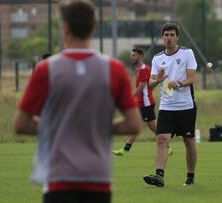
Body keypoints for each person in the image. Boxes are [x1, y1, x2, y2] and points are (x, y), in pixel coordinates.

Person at [13, 1, 142, 203]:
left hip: (59, 177)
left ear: (64, 27)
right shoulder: (114, 69)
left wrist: (59, 127)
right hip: (98, 176)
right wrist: (97, 127)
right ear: (94, 28)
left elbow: (21, 124)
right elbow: (133, 124)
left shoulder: (46, 69)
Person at [143, 23, 198, 187]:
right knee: (162, 139)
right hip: (167, 107)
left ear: (177, 37)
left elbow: (192, 78)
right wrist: (157, 81)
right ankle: (159, 176)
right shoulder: (157, 58)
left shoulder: (187, 53)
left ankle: (190, 176)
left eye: (172, 35)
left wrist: (179, 84)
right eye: (166, 35)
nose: (169, 38)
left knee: (189, 141)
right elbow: (151, 83)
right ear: (162, 37)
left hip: (186, 106)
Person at [113, 48, 173, 156]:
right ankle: (125, 149)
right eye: (131, 55)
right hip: (141, 102)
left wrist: (128, 98)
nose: (132, 57)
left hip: (146, 103)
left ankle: (166, 146)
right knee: (135, 124)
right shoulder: (140, 70)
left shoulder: (144, 69)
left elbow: (141, 87)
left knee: (152, 126)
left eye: (134, 55)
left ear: (140, 56)